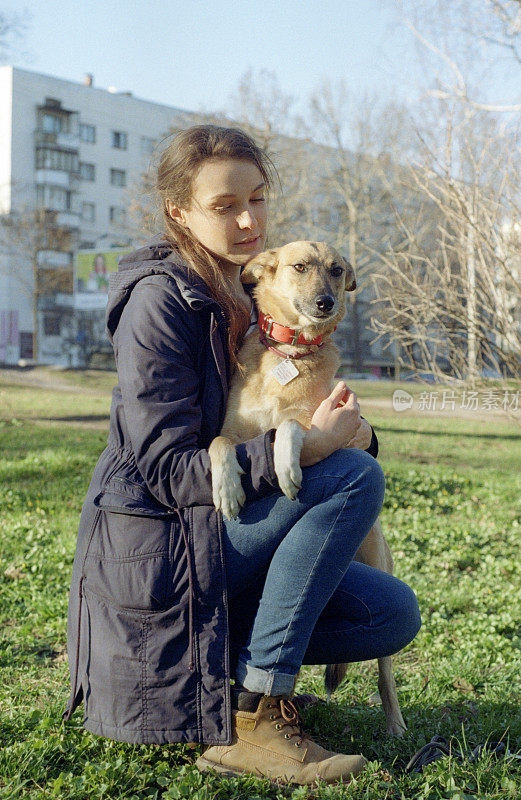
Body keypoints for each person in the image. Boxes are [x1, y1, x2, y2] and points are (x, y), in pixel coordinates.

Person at [64, 125, 421, 785]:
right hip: (161, 561)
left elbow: (297, 410)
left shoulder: (243, 293)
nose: (250, 218)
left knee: (391, 610)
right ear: (180, 212)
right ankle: (253, 713)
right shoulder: (160, 303)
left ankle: (232, 673)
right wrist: (316, 447)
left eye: (257, 197)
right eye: (225, 206)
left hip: (216, 537)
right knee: (349, 478)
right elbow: (171, 472)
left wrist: (354, 432)